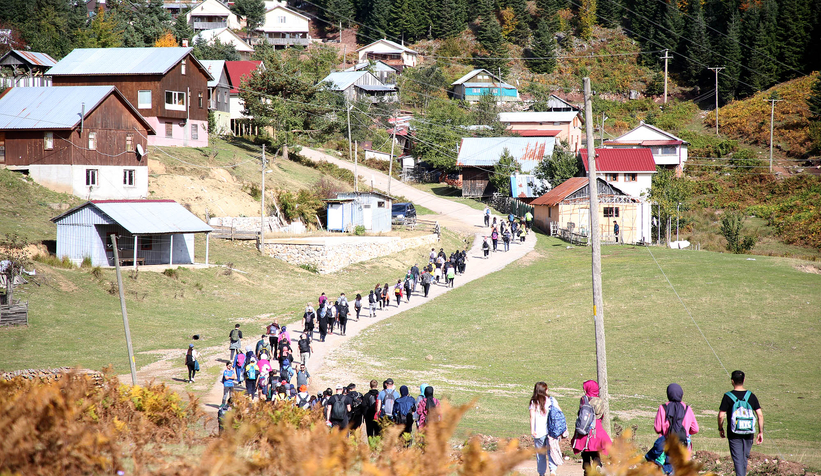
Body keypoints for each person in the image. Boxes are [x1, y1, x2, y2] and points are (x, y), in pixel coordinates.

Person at [646, 383, 700, 473]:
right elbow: (695, 429)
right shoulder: (687, 409)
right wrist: (685, 431)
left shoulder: (663, 408)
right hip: (683, 445)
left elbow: (658, 428)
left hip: (666, 445)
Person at [718, 370, 764, 476]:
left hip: (733, 433)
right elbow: (760, 415)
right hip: (748, 432)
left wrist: (720, 428)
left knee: (738, 459)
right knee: (744, 458)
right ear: (744, 380)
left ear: (732, 381)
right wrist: (760, 432)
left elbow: (721, 415)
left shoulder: (728, 396)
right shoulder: (751, 396)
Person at [571, 380, 612, 476]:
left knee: (585, 452)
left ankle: (586, 468)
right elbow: (602, 416)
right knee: (596, 450)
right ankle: (597, 464)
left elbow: (581, 414)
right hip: (597, 428)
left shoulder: (584, 399)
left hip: (585, 429)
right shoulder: (599, 401)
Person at [530, 382, 565, 476]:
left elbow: (532, 417)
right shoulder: (551, 400)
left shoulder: (534, 402)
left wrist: (532, 430)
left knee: (540, 454)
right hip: (551, 431)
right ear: (545, 390)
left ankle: (541, 473)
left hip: (539, 432)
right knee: (551, 452)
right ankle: (553, 471)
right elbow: (559, 413)